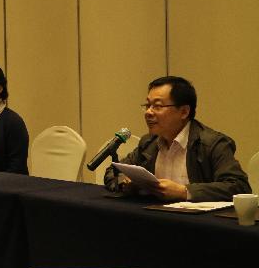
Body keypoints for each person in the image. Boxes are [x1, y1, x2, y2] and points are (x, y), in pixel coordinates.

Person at [104, 76, 251, 201]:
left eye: (157, 106)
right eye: (148, 105)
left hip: (198, 223)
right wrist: (126, 184)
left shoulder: (212, 144)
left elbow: (239, 186)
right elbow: (113, 172)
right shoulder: (149, 143)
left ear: (184, 112)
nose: (148, 112)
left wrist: (184, 191)